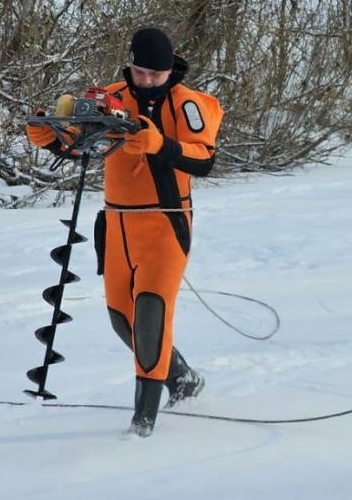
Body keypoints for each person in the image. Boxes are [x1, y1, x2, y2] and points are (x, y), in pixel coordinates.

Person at [26, 27, 223, 437]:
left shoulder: (189, 104)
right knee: (122, 319)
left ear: (171, 70)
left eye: (157, 74)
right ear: (130, 65)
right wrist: (51, 139)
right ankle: (182, 379)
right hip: (116, 223)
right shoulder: (110, 98)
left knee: (151, 311)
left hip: (165, 223)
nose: (148, 80)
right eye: (140, 72)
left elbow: (204, 160)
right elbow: (83, 146)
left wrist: (158, 144)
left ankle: (142, 424)